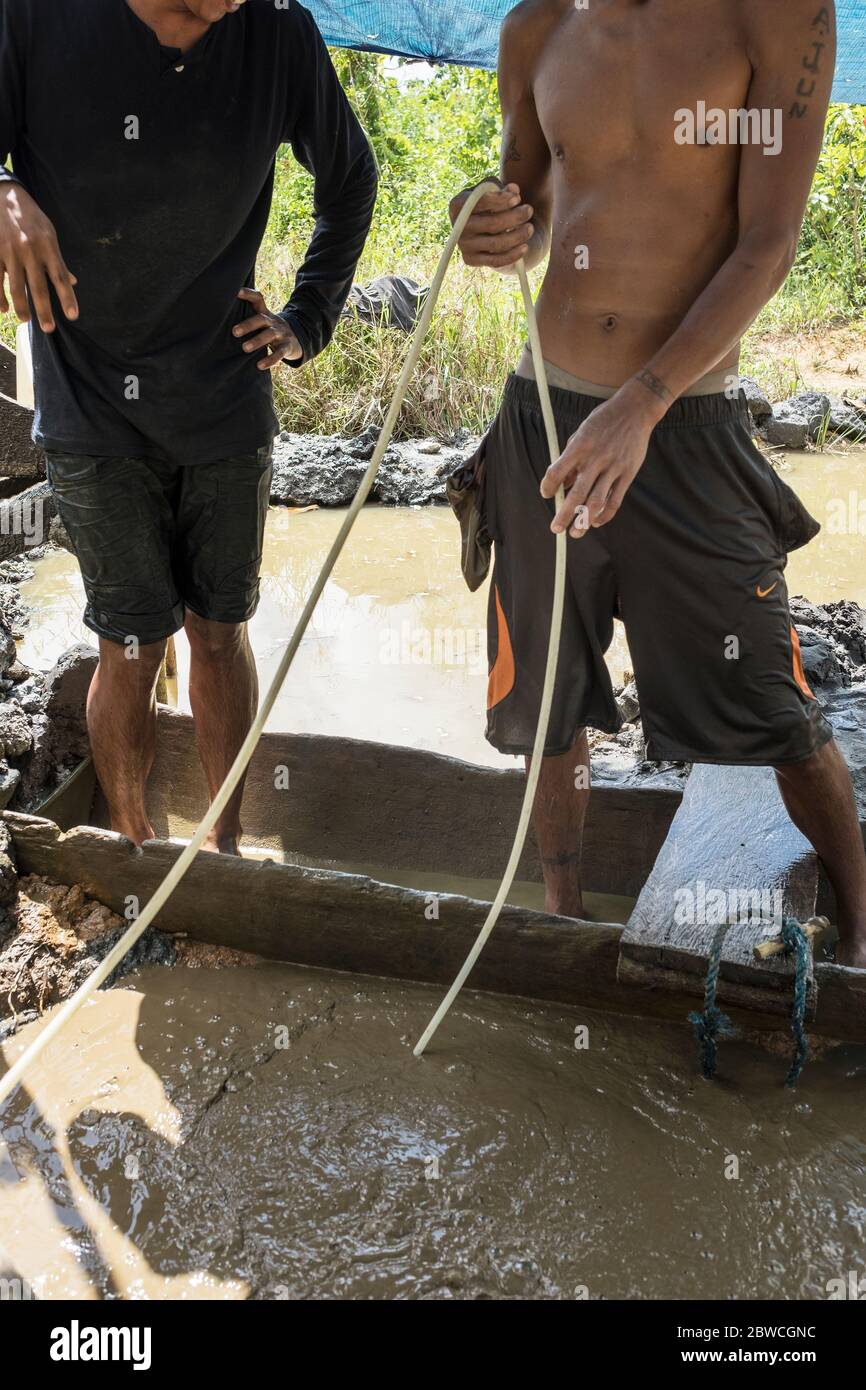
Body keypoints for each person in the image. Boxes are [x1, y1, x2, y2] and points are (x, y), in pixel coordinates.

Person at [451, 0, 866, 965]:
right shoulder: (536, 28)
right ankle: (565, 917)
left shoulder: (780, 18)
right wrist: (490, 226)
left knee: (776, 707)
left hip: (684, 420)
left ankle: (859, 935)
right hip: (545, 419)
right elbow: (533, 212)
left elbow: (767, 245)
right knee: (548, 702)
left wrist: (644, 402)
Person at [0, 0, 377, 852]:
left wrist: (307, 317)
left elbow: (351, 176)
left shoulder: (278, 32)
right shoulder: (35, 18)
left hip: (224, 392)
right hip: (90, 392)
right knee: (130, 643)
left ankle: (224, 849)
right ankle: (136, 851)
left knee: (219, 629)